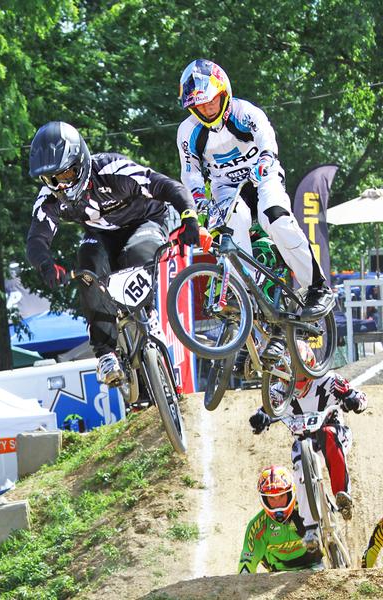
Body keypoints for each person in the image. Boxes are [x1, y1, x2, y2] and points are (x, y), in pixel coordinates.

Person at [177, 59, 334, 361]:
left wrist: (264, 161)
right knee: (230, 222)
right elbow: (191, 173)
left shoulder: (245, 113)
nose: (208, 110)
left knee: (273, 215)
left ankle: (317, 286)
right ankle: (246, 296)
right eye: (200, 106)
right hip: (225, 189)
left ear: (224, 93)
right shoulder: (188, 131)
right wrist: (197, 199)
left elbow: (267, 141)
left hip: (261, 176)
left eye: (212, 102)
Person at [27, 121, 200, 385]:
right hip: (101, 234)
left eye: (65, 176)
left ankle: (149, 315)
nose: (60, 186)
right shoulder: (49, 199)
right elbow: (37, 239)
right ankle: (106, 354)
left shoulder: (113, 170)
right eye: (51, 179)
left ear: (81, 162)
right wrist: (46, 266)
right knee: (87, 268)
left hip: (145, 220)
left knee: (135, 254)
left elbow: (167, 186)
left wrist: (189, 217)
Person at [249, 342, 367, 552]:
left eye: (301, 376)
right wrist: (260, 418)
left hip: (335, 434)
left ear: (311, 369)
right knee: (299, 470)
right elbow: (266, 408)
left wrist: (353, 401)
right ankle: (311, 527)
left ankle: (342, 495)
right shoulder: (277, 391)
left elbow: (360, 397)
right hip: (304, 443)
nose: (296, 384)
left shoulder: (329, 380)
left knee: (329, 435)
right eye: (289, 378)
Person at [238, 465, 323, 573]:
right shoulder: (257, 527)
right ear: (263, 499)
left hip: (315, 567)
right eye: (272, 498)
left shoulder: (307, 512)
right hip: (278, 575)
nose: (278, 503)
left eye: (282, 496)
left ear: (291, 494)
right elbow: (247, 561)